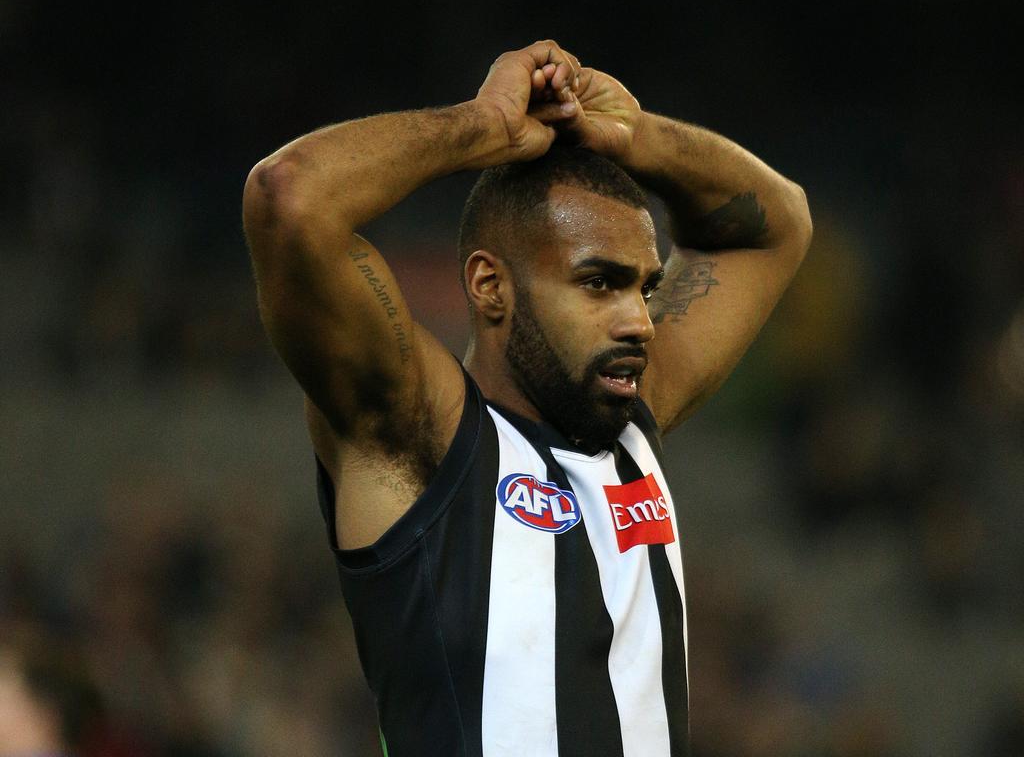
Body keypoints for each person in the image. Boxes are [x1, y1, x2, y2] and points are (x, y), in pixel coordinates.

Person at [243, 39, 811, 757]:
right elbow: (290, 197)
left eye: (645, 286)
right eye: (598, 283)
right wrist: (485, 128)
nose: (638, 320)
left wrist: (637, 138)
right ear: (490, 286)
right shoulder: (420, 433)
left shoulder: (632, 415)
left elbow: (780, 224)